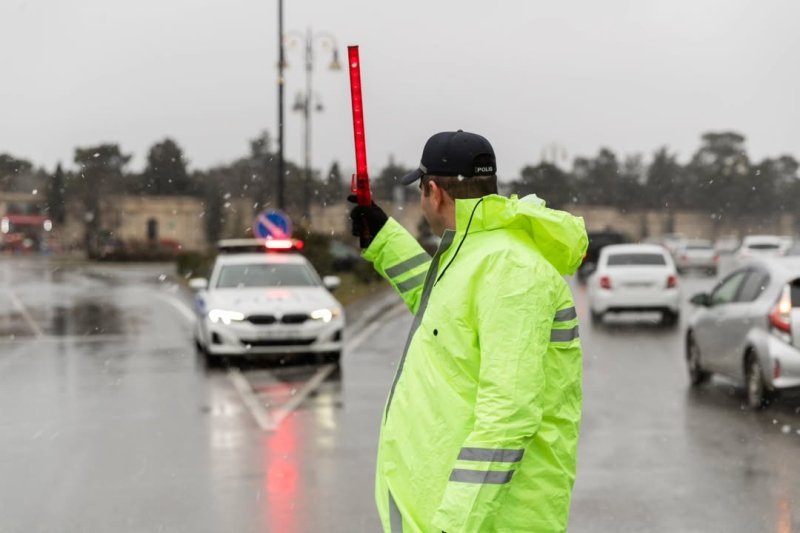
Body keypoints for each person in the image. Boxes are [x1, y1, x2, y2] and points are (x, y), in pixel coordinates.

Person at [350, 130, 588, 532]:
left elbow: (508, 417)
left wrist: (454, 525)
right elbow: (444, 313)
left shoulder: (510, 268)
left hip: (488, 523)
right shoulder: (478, 252)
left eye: (421, 191)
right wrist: (384, 236)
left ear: (433, 192)